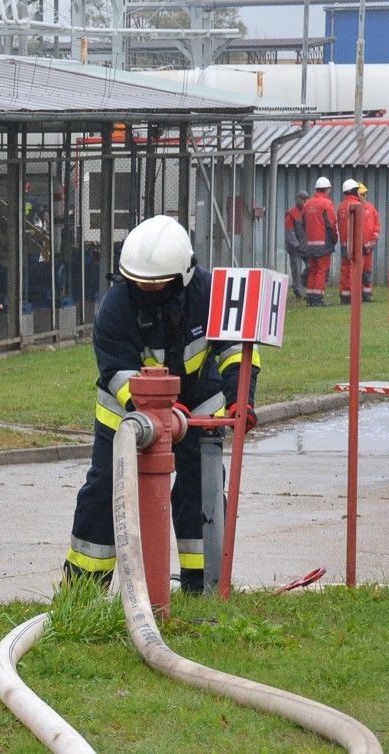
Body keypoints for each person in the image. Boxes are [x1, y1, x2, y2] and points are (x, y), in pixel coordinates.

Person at [65, 215, 260, 594]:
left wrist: (241, 400)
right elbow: (118, 373)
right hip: (127, 415)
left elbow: (236, 349)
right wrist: (157, 414)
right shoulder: (115, 309)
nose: (146, 291)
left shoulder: (211, 293)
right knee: (105, 491)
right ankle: (83, 590)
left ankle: (202, 584)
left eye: (156, 284)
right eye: (138, 283)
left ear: (183, 276)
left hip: (199, 405)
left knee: (200, 491)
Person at [302, 176, 337, 307]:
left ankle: (310, 298)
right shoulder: (326, 204)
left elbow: (304, 223)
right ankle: (317, 298)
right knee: (322, 270)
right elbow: (331, 224)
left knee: (312, 270)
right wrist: (335, 238)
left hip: (310, 244)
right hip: (323, 243)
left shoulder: (308, 204)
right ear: (327, 189)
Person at [352, 183, 382, 303]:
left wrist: (375, 235)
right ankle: (357, 295)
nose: (364, 196)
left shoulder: (370, 207)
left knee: (367, 271)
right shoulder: (354, 207)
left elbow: (377, 223)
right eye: (362, 194)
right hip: (359, 247)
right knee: (358, 270)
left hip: (369, 247)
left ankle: (367, 295)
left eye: (365, 194)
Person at [337, 179, 364, 305]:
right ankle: (353, 297)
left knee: (345, 269)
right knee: (354, 269)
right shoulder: (356, 205)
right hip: (355, 243)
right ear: (354, 190)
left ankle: (344, 296)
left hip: (343, 243)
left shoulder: (341, 206)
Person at [284, 190, 309, 299]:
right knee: (296, 271)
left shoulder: (308, 211)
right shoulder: (291, 214)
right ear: (297, 200)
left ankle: (302, 284)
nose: (305, 201)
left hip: (307, 247)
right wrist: (297, 245)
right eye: (303, 199)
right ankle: (298, 293)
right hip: (295, 249)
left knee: (312, 268)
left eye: (306, 199)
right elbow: (290, 233)